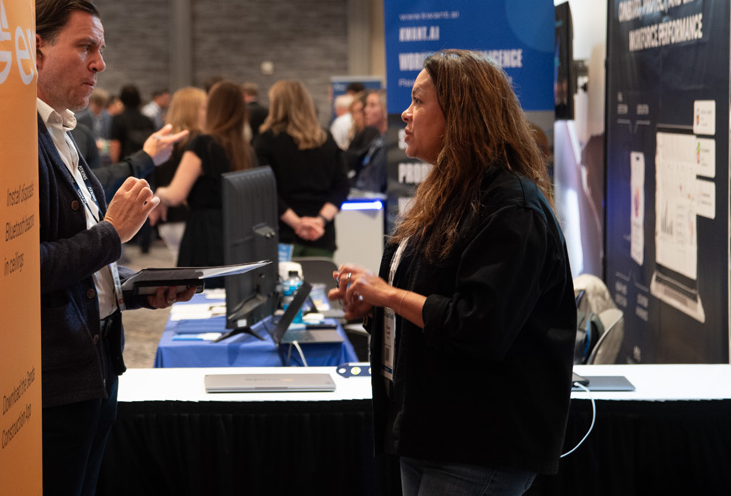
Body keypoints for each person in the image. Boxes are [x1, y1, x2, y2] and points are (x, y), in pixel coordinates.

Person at [328, 50, 576, 495]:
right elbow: (427, 297)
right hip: (430, 426)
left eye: (419, 102)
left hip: (481, 440)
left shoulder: (511, 208)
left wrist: (387, 296)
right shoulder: (447, 194)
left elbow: (479, 325)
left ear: (461, 115)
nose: (404, 113)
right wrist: (372, 305)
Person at [35, 0, 196, 496]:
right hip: (55, 384)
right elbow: (24, 267)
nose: (100, 64)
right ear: (35, 48)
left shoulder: (63, 134)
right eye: (86, 48)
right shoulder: (16, 142)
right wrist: (112, 234)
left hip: (98, 368)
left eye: (100, 50)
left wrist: (134, 289)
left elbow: (79, 262)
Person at [152, 81, 255, 273]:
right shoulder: (245, 148)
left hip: (205, 233)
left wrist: (159, 193)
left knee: (198, 293)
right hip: (237, 230)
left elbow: (175, 194)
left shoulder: (204, 143)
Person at [253, 79, 350, 259]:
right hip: (322, 236)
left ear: (276, 106)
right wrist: (319, 221)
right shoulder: (326, 138)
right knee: (321, 285)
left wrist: (297, 223)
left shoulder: (265, 141)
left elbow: (265, 191)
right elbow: (342, 186)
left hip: (282, 238)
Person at [152, 86, 207, 255]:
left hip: (167, 218)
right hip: (191, 217)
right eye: (205, 107)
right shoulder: (201, 142)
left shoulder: (160, 142)